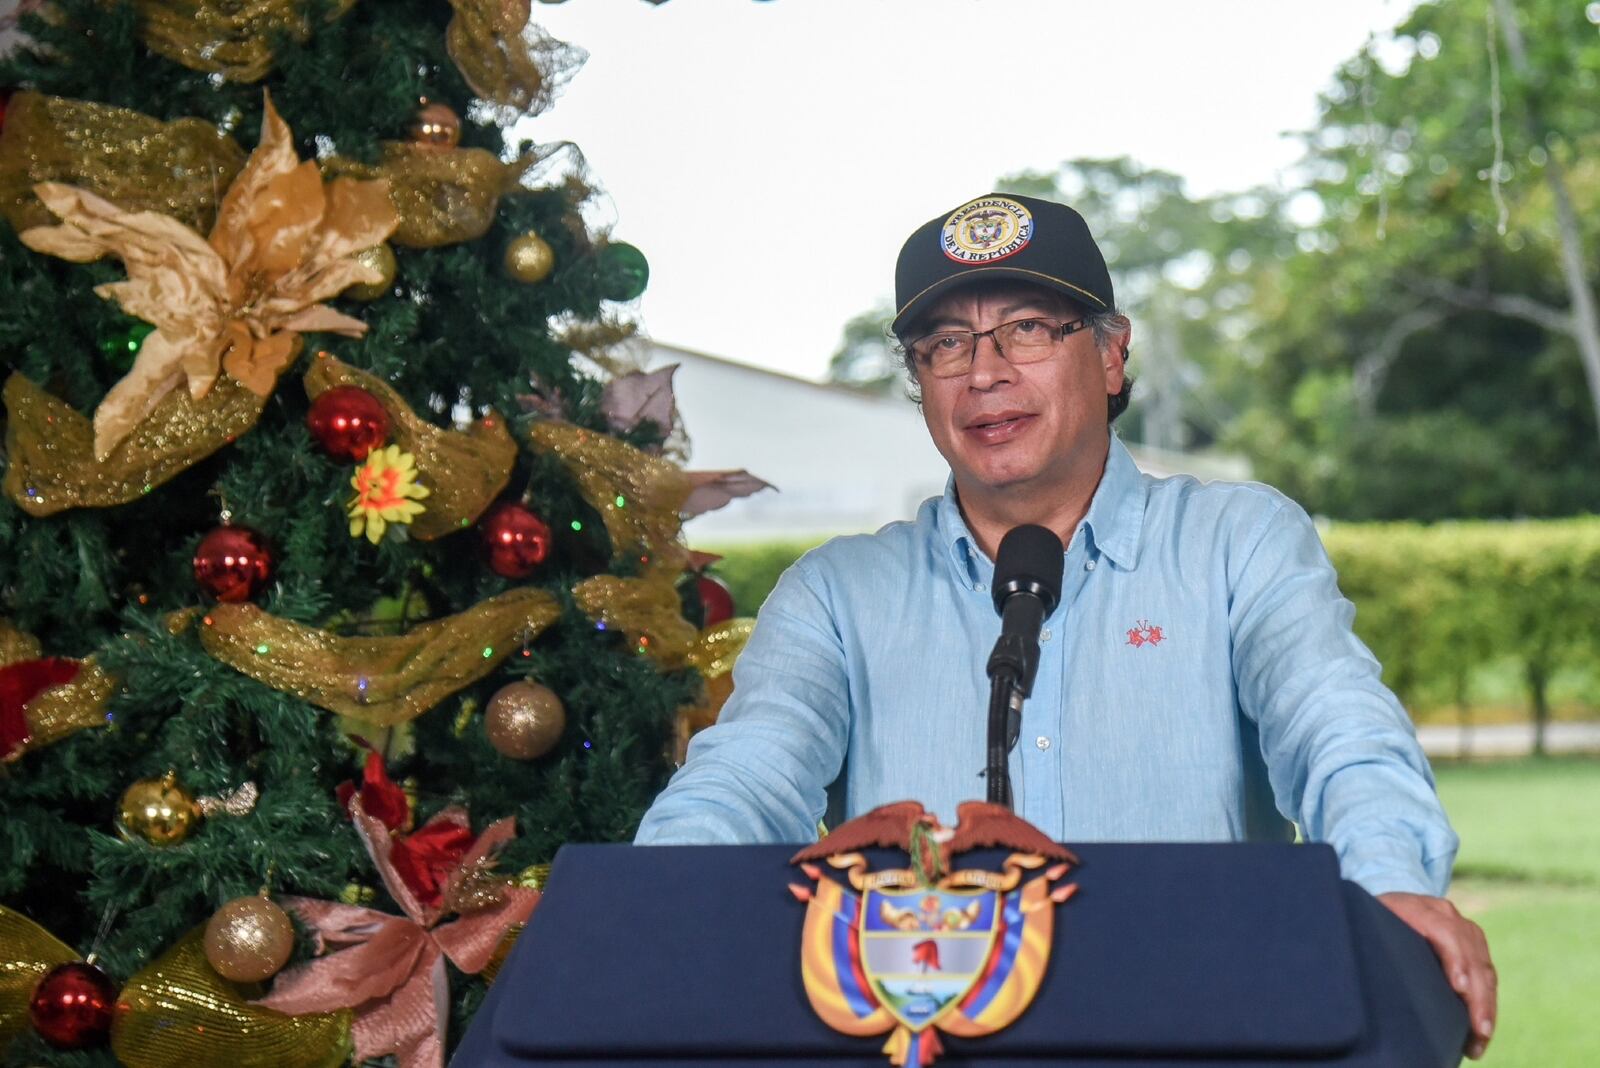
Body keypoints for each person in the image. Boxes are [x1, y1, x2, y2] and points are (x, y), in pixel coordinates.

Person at [636, 193, 1496, 1058]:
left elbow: (1338, 732)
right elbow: (743, 785)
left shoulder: (1236, 544)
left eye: (1029, 330)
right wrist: (646, 907)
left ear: (1114, 354)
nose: (985, 373)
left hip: (1206, 1028)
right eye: (945, 344)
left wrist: (1389, 888)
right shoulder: (836, 593)